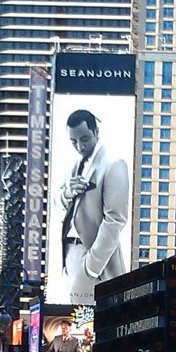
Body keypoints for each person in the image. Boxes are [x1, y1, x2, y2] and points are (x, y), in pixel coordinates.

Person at [59, 109, 129, 304]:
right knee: (79, 322)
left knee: (87, 325)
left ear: (96, 132)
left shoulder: (114, 164)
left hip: (93, 258)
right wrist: (68, 192)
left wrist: (92, 265)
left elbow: (116, 219)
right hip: (71, 252)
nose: (80, 146)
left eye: (85, 139)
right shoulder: (76, 166)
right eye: (73, 142)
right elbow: (59, 198)